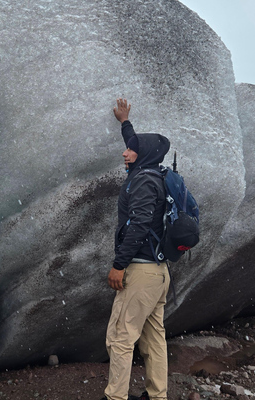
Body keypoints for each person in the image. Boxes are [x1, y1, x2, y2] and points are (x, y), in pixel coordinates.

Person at [102, 98, 171, 400]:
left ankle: (114, 397)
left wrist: (119, 264)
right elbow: (140, 146)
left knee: (120, 336)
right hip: (158, 273)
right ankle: (157, 396)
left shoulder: (143, 181)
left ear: (141, 155)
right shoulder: (155, 173)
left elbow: (139, 224)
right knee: (154, 337)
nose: (125, 152)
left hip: (140, 272)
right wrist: (125, 122)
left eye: (130, 150)